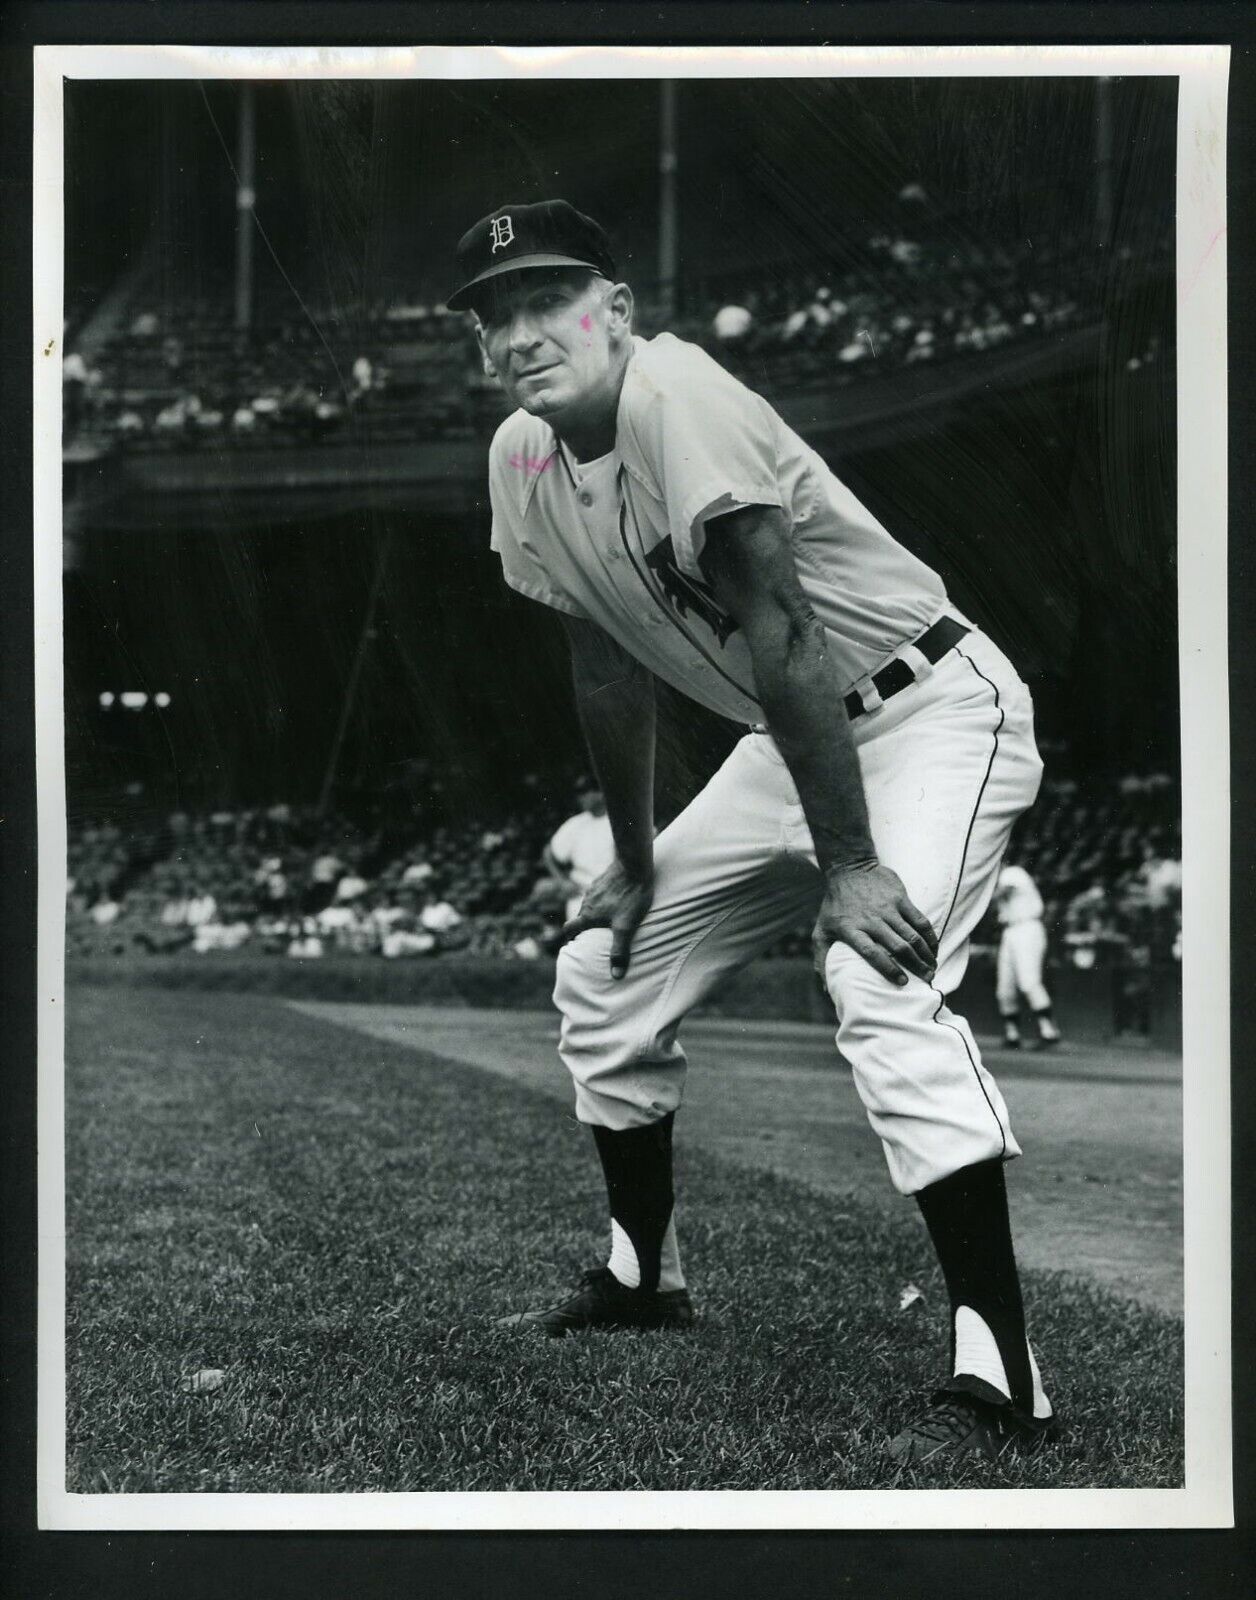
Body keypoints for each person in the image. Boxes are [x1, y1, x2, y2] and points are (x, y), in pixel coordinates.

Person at [450, 199, 1056, 1465]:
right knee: (599, 970)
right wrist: (634, 855)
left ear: (613, 311)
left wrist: (849, 864)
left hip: (928, 702)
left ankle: (1001, 1367)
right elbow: (606, 672)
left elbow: (784, 630)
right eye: (494, 314)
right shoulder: (520, 457)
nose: (520, 333)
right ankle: (641, 1277)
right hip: (792, 738)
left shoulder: (678, 392)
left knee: (876, 967)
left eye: (548, 300)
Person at [993, 860, 1061, 1049]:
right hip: (1010, 930)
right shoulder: (999, 878)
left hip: (1027, 927)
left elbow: (1005, 891)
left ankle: (1049, 1031)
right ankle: (1012, 1034)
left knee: (1029, 982)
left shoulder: (1012, 872)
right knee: (1004, 988)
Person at [544, 784, 617, 923]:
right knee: (579, 940)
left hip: (614, 894)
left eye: (584, 792)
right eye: (579, 794)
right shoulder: (576, 823)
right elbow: (548, 852)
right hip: (581, 896)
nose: (581, 798)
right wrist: (562, 881)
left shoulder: (620, 819)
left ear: (600, 793)